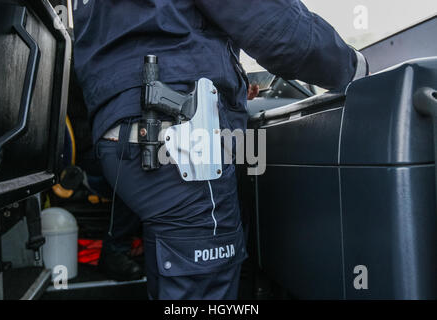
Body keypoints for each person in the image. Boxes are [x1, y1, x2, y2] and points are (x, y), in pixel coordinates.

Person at [72, 0, 368, 300]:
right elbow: (276, 26)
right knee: (202, 290)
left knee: (176, 280)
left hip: (120, 135)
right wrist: (354, 68)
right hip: (181, 141)